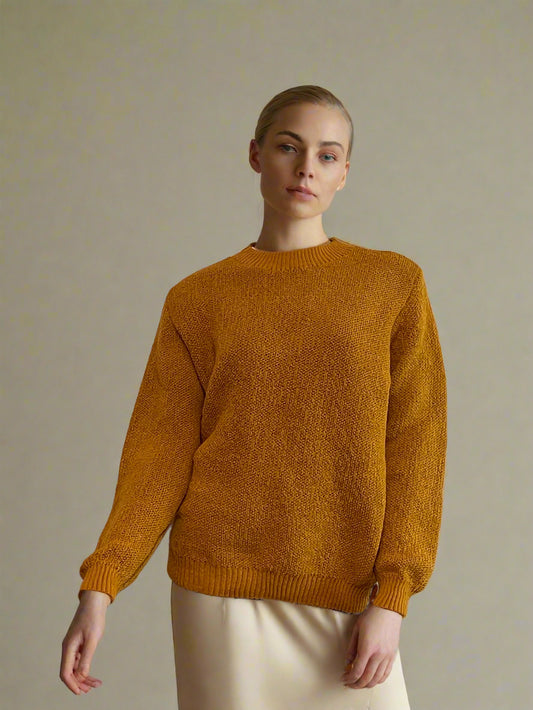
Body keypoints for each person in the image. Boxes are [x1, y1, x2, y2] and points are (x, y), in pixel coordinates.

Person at [60, 85, 447, 709]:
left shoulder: (392, 284)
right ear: (255, 155)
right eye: (289, 147)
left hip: (349, 591)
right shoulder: (197, 299)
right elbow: (158, 454)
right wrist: (100, 586)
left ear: (345, 172)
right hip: (219, 593)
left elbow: (416, 447)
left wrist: (394, 596)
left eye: (327, 155)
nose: (306, 168)